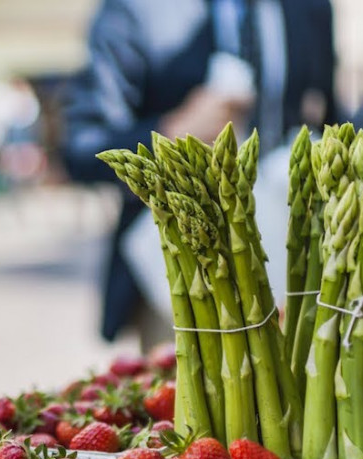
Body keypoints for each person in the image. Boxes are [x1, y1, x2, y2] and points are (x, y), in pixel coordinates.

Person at [63, 0, 338, 351]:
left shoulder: (310, 7)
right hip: (176, 268)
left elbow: (332, 118)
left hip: (291, 260)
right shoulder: (133, 8)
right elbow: (83, 147)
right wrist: (172, 132)